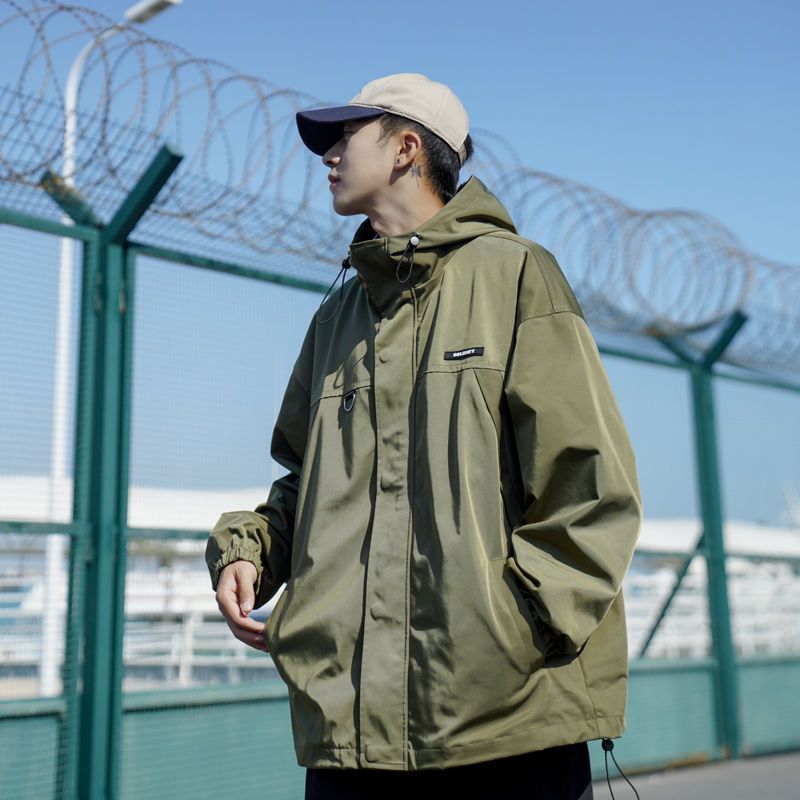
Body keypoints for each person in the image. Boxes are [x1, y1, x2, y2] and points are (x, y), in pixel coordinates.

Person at [206, 73, 643, 800]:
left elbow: (591, 486)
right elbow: (305, 483)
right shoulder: (337, 316)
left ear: (406, 148)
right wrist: (250, 550)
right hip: (349, 733)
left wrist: (514, 631)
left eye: (346, 136)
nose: (328, 155)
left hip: (504, 722)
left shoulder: (516, 275)